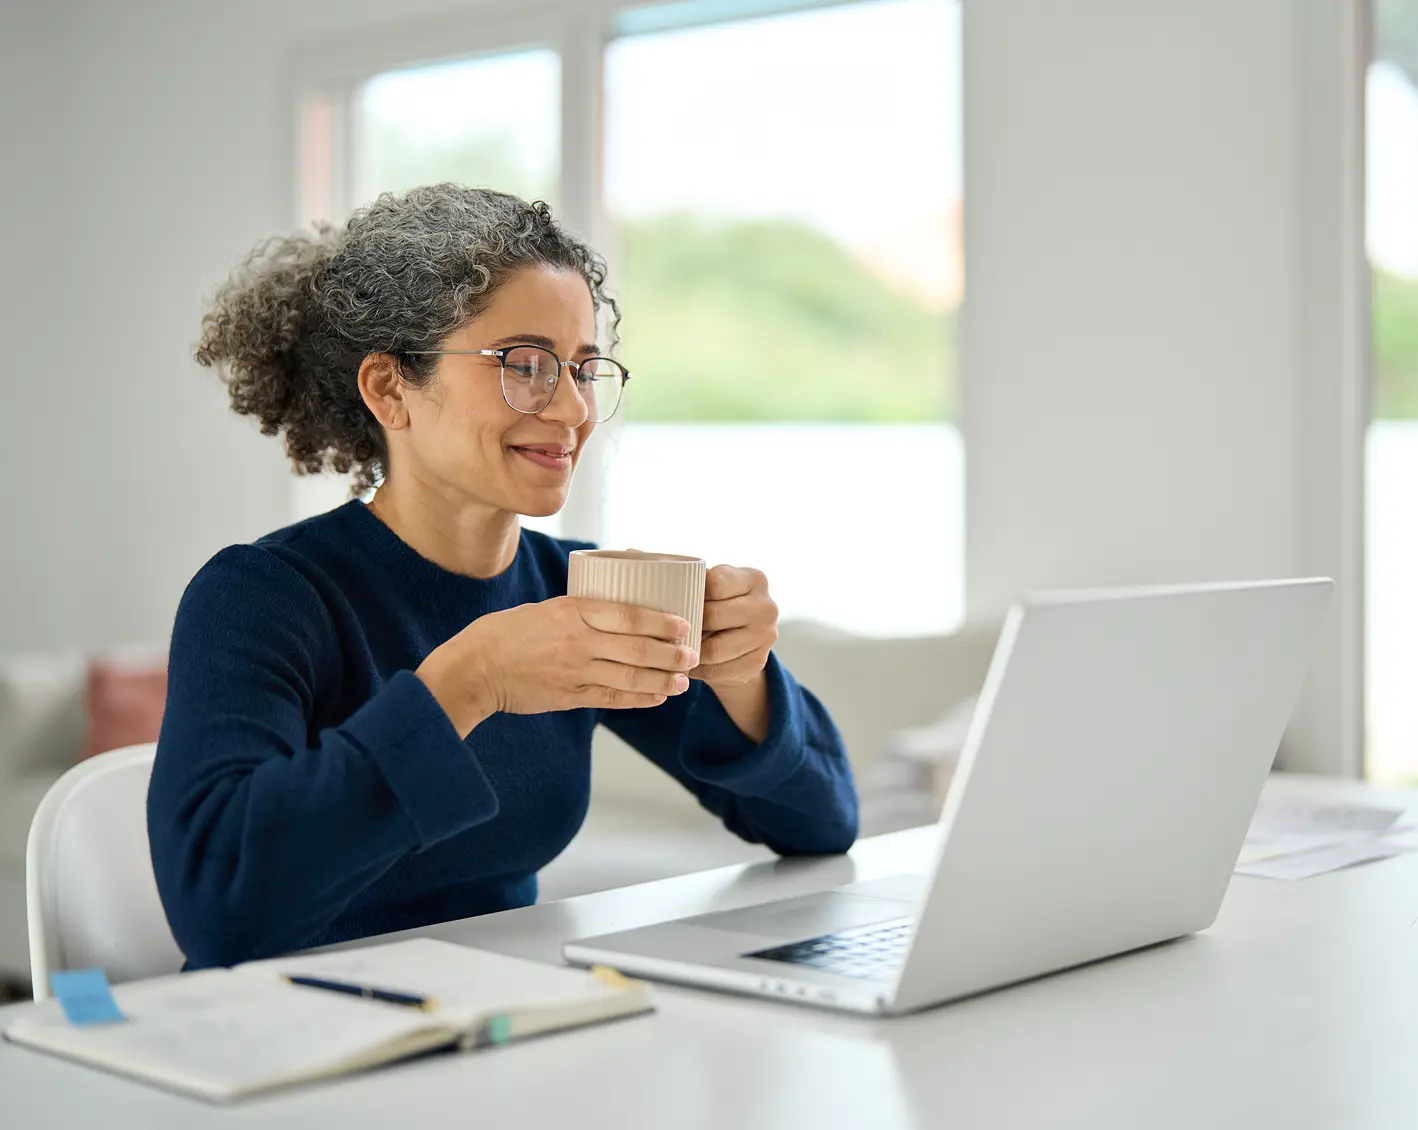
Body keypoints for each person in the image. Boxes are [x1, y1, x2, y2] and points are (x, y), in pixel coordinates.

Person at [148, 184, 859, 970]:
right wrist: (469, 682)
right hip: (288, 1045)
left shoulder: (573, 589)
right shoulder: (261, 596)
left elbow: (823, 826)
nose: (571, 410)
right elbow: (217, 909)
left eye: (585, 369)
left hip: (502, 1028)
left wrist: (744, 679)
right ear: (389, 389)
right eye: (525, 364)